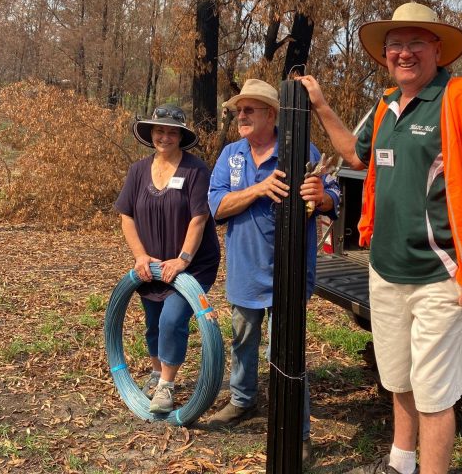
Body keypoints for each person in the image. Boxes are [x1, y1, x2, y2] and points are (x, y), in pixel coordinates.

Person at [297, 2, 462, 474]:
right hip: (385, 270)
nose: (404, 53)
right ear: (384, 55)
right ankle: (400, 462)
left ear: (437, 50)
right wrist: (320, 105)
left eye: (415, 42)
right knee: (397, 376)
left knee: (434, 393)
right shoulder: (384, 106)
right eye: (395, 45)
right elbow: (355, 157)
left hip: (440, 276)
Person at [206, 78, 340, 463]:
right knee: (243, 340)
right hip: (245, 270)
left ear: (272, 114)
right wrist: (259, 189)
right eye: (239, 111)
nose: (241, 116)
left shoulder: (300, 148)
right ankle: (243, 400)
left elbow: (333, 195)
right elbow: (216, 207)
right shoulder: (231, 155)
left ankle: (298, 434)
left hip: (290, 272)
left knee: (288, 351)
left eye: (250, 110)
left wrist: (323, 196)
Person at [115, 104, 220, 414]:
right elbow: (126, 217)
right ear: (151, 134)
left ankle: (167, 386)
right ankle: (157, 372)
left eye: (171, 131)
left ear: (180, 136)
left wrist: (183, 259)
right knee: (152, 323)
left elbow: (199, 218)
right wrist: (140, 256)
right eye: (159, 130)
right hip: (151, 265)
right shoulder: (137, 171)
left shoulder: (196, 170)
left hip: (192, 265)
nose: (164, 136)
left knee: (171, 320)